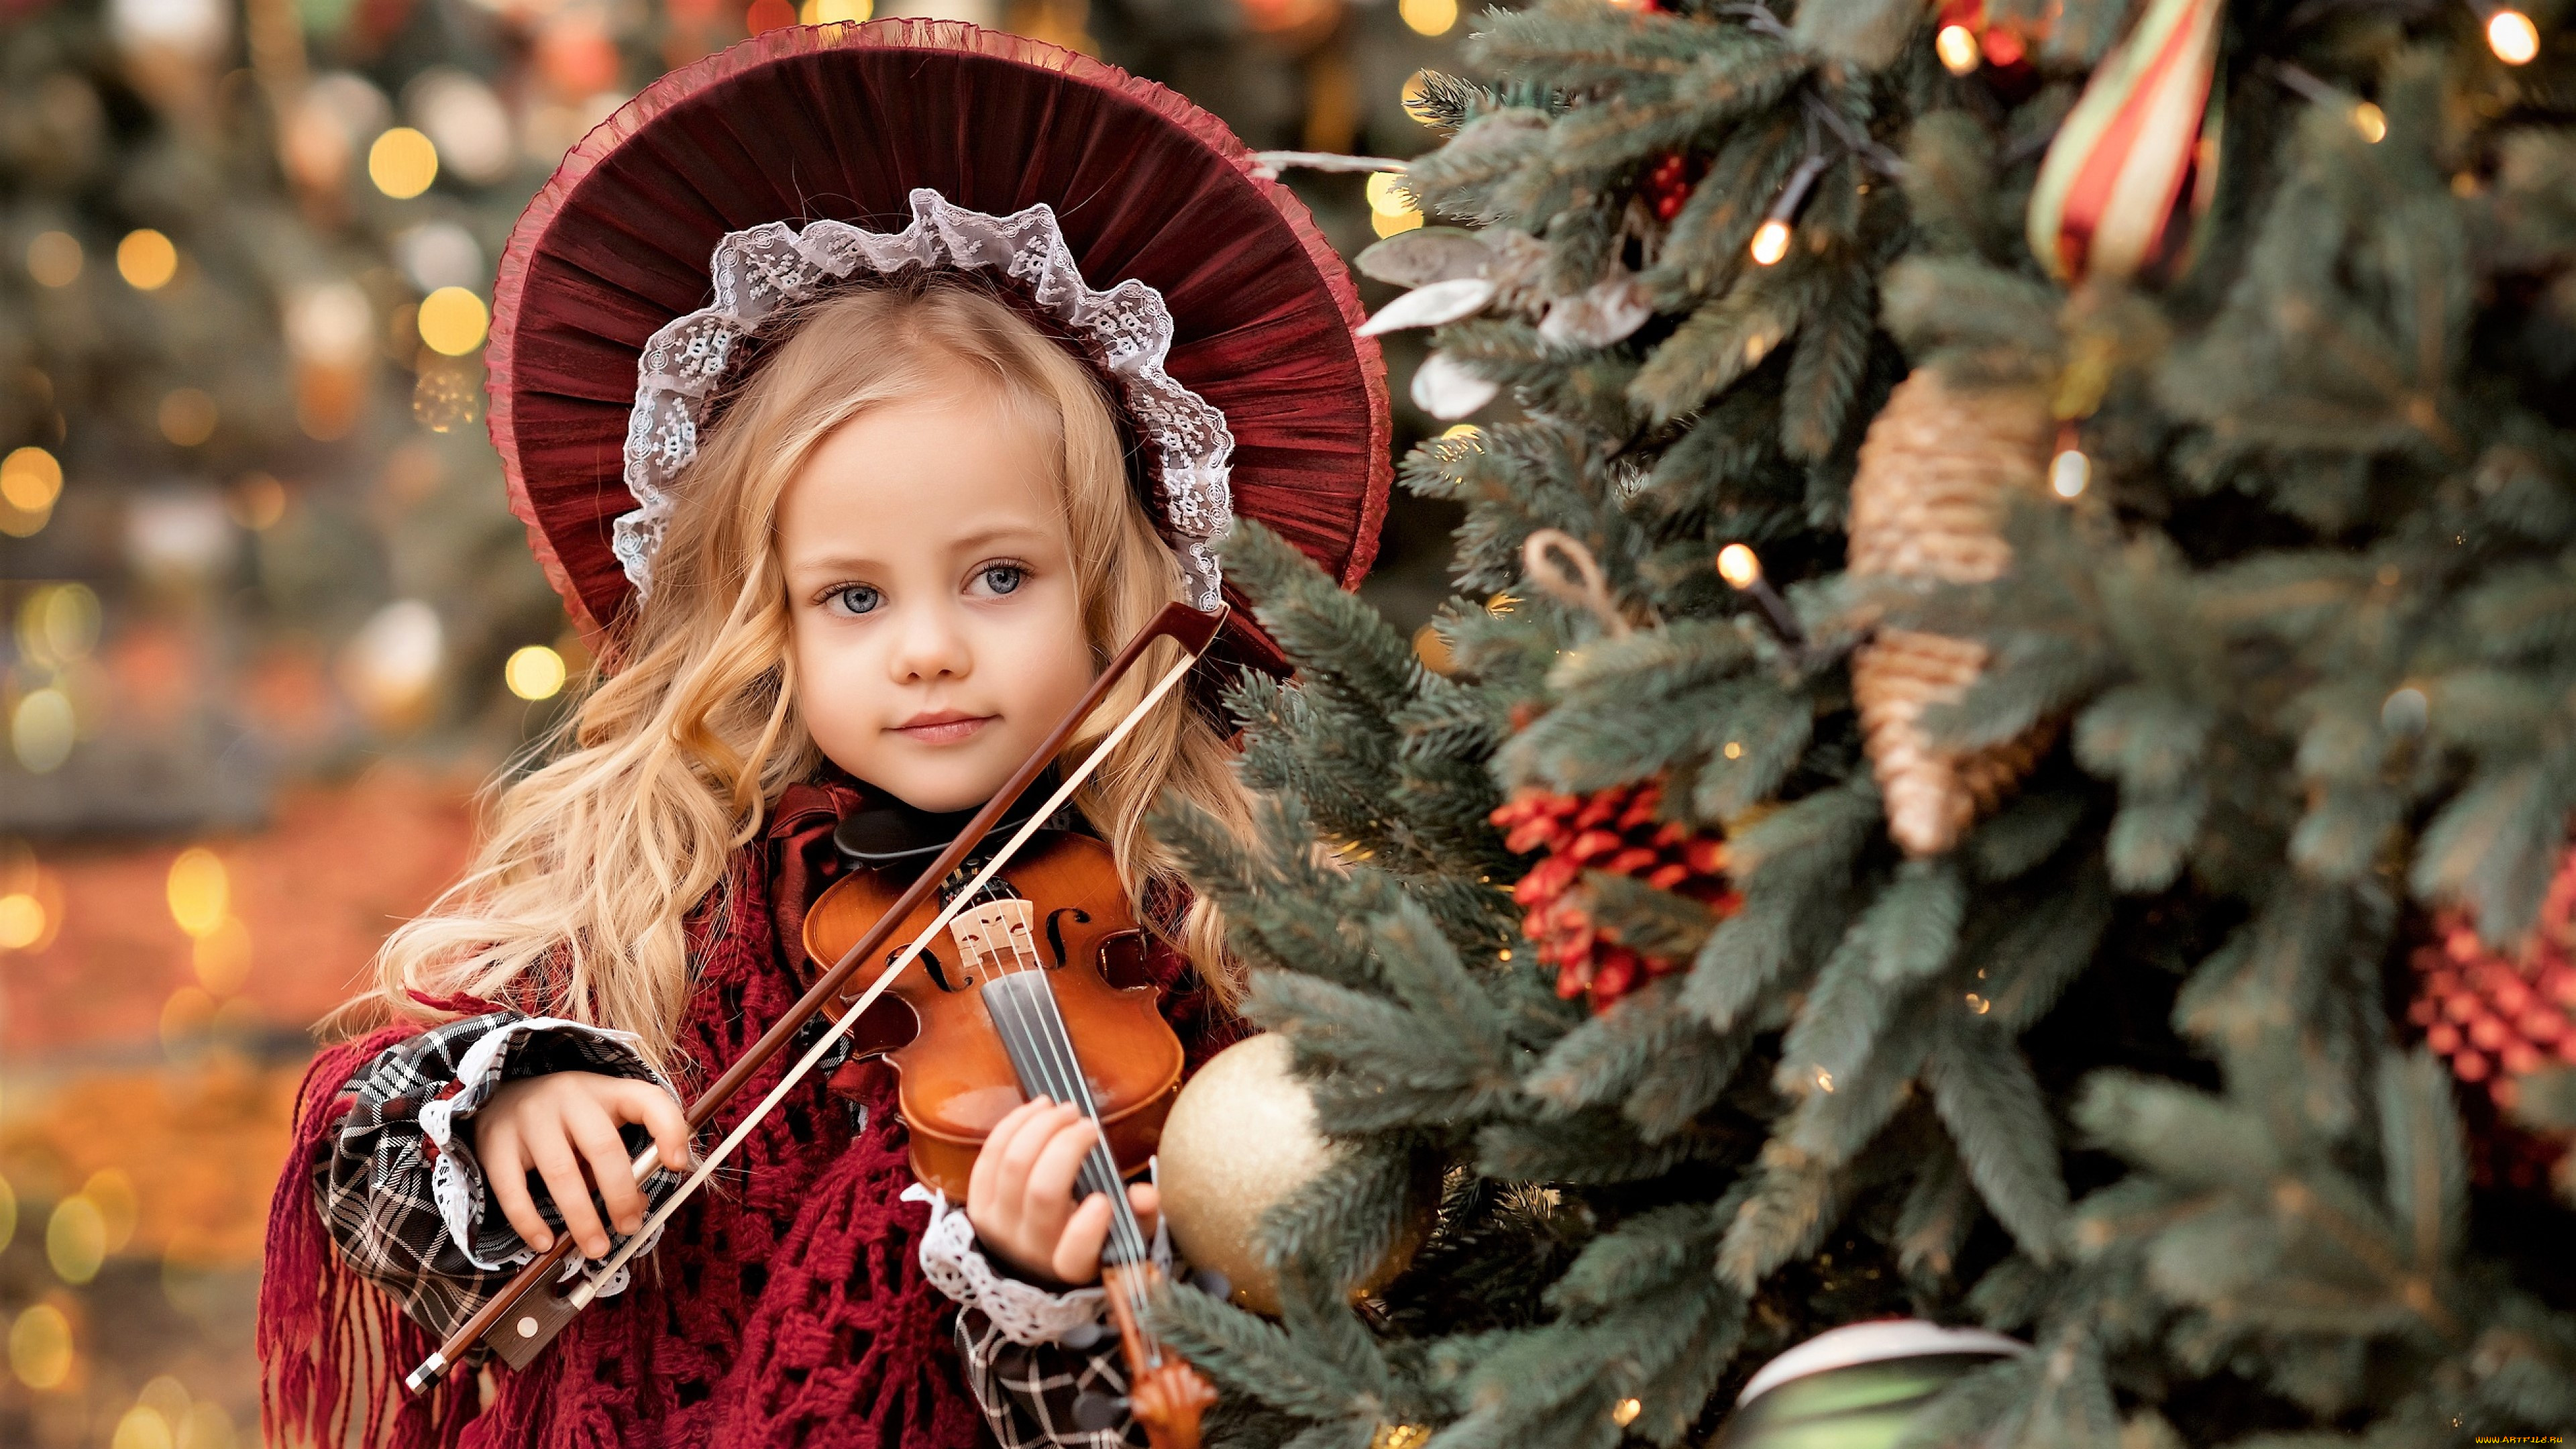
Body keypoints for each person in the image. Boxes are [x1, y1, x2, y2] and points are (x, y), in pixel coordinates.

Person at [255, 19, 1391, 1448]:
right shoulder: (684, 895)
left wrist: (1048, 1293)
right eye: (854, 596)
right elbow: (365, 1162)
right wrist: (509, 1111)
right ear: (769, 622)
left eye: (1000, 577)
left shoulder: (1189, 917)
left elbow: (1234, 1389)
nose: (929, 647)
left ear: (1113, 598)